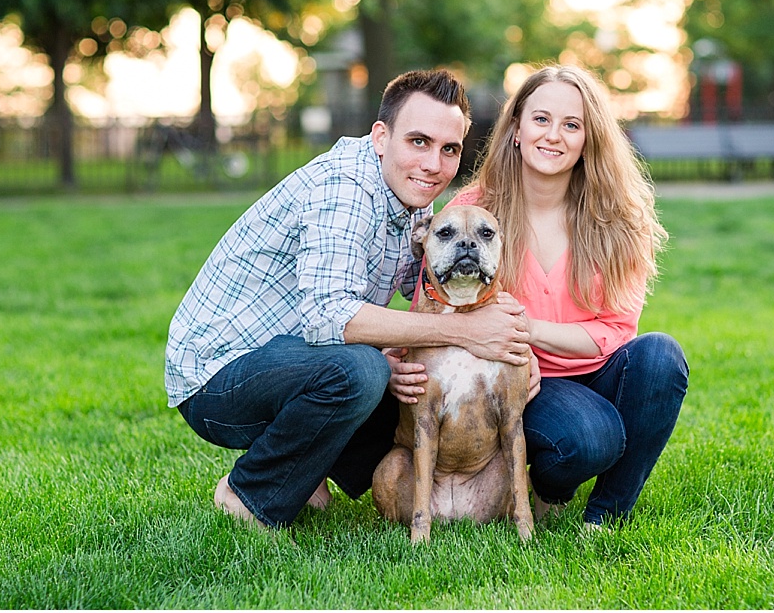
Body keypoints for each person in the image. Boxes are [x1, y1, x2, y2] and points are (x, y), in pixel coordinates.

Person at [165, 69, 534, 530]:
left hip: (285, 359)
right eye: (418, 142)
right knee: (363, 371)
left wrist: (514, 343)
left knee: (408, 380)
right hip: (217, 379)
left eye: (449, 149)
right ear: (381, 136)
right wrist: (465, 332)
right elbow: (329, 318)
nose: (433, 164)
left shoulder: (412, 196)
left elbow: (424, 294)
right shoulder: (346, 188)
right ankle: (249, 496)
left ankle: (305, 474)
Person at [390, 63, 688, 530]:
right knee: (589, 439)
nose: (554, 135)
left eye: (572, 124)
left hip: (598, 369)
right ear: (516, 129)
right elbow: (436, 304)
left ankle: (607, 512)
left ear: (590, 138)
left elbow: (614, 331)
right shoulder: (474, 213)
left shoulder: (619, 218)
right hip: (524, 383)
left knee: (662, 357)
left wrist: (525, 331)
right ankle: (551, 484)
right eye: (541, 119)